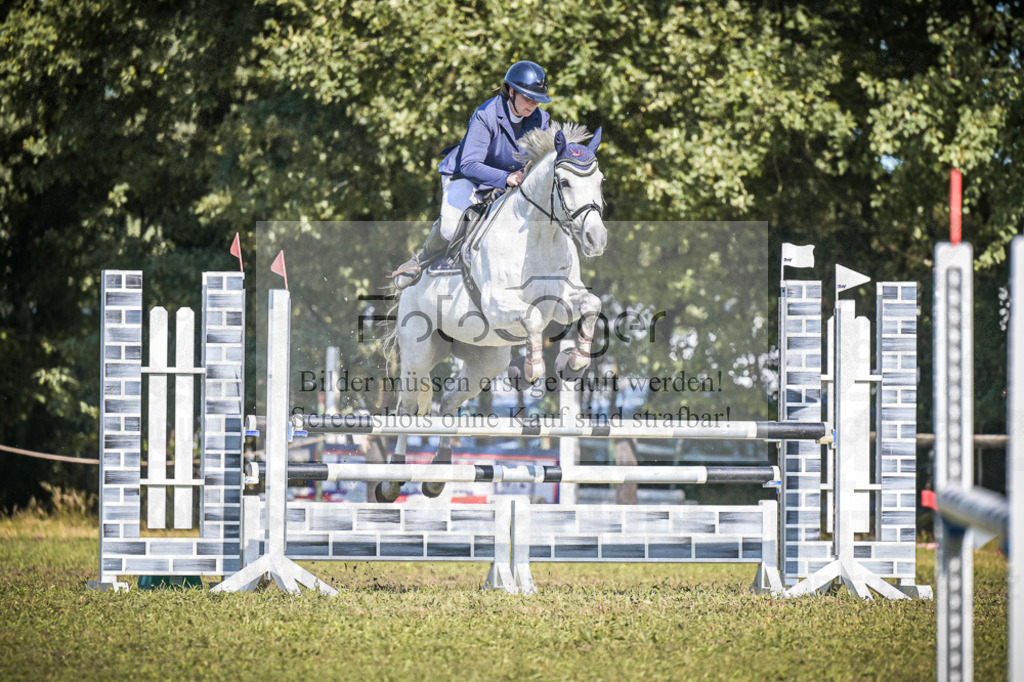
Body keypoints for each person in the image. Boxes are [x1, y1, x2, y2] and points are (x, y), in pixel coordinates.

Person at [392, 60, 552, 289]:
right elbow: (469, 165)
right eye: (528, 98)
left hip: (509, 181)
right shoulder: (486, 115)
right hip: (466, 176)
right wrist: (506, 178)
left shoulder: (541, 120)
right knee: (450, 228)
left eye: (537, 100)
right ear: (511, 92)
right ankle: (419, 261)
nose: (534, 104)